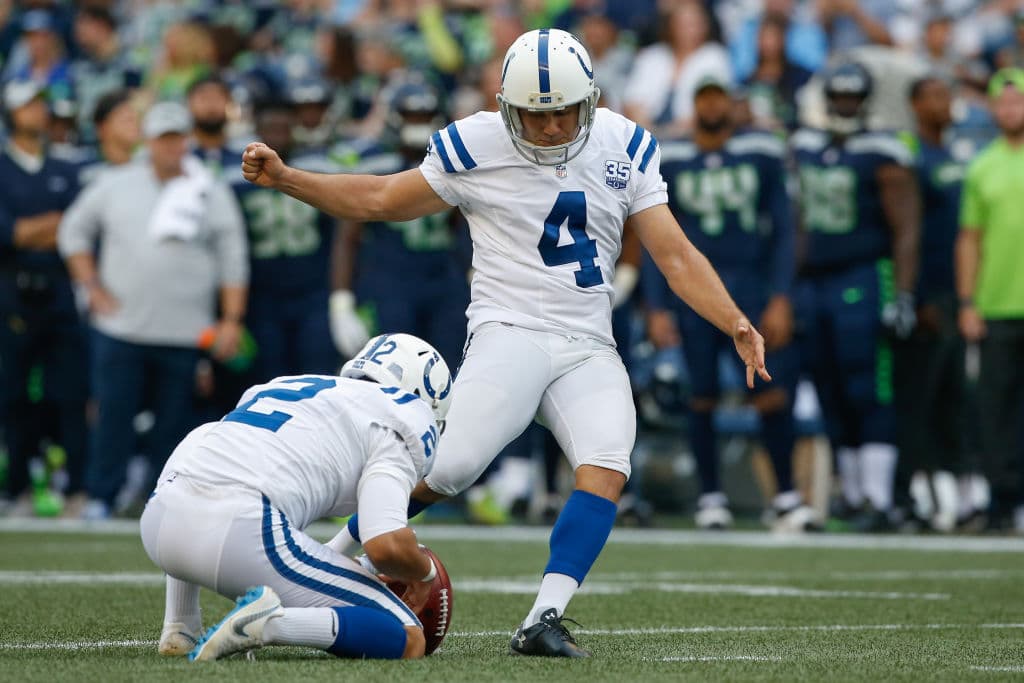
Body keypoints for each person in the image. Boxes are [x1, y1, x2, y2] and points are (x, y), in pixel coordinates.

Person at [241, 28, 769, 657]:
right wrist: (288, 178)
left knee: (608, 462)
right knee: (450, 467)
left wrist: (733, 319)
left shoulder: (624, 143)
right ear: (506, 107)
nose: (548, 129)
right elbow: (383, 197)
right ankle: (322, 561)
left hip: (589, 339)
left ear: (591, 101)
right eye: (533, 116)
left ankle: (544, 617)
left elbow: (675, 255)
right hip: (509, 328)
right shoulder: (476, 142)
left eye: (562, 113)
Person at [139, 333, 453, 661]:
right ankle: (270, 624)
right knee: (408, 638)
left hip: (159, 522)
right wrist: (424, 572)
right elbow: (384, 544)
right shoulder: (404, 418)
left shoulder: (294, 386)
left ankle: (181, 623)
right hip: (239, 531)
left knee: (206, 442)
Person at [57, 101, 248, 520]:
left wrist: (230, 320)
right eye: (164, 139)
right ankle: (101, 496)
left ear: (187, 141)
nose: (171, 147)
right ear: (149, 142)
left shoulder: (208, 190)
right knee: (113, 417)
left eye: (178, 138)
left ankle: (161, 503)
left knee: (174, 426)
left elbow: (233, 256)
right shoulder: (116, 183)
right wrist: (90, 286)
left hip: (185, 329)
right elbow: (73, 231)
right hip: (121, 325)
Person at [646, 75, 817, 532]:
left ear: (731, 102)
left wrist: (781, 295)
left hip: (751, 286)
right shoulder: (673, 155)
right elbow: (655, 235)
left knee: (769, 390)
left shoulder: (760, 150)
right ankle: (710, 496)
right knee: (700, 394)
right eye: (704, 96)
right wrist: (657, 304)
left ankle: (783, 494)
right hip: (694, 290)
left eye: (719, 96)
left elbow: (784, 227)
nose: (713, 105)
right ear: (694, 103)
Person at [792, 62, 920, 531]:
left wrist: (902, 293)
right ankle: (852, 494)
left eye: (852, 97)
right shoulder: (806, 145)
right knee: (828, 386)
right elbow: (798, 219)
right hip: (815, 282)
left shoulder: (881, 149)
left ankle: (879, 498)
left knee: (866, 384)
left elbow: (907, 227)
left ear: (863, 100)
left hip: (864, 276)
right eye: (838, 96)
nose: (844, 105)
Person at [0, 80, 87, 516]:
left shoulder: (66, 166)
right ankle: (16, 486)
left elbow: (79, 228)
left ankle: (75, 487)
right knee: (13, 394)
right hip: (11, 293)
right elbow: (7, 234)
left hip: (60, 289)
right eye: (28, 105)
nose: (37, 112)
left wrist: (31, 230)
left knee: (69, 393)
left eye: (40, 104)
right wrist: (51, 225)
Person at [895, 76, 969, 532]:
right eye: (937, 95)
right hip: (928, 294)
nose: (946, 103)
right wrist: (914, 294)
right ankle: (915, 491)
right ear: (916, 104)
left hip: (956, 292)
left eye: (948, 94)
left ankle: (956, 489)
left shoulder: (954, 153)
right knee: (919, 396)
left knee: (953, 397)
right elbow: (909, 230)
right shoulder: (910, 152)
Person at [956, 67, 1024, 533]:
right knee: (995, 409)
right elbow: (969, 239)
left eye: (1017, 102)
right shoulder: (983, 165)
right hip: (998, 304)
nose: (1010, 110)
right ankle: (1002, 498)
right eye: (1003, 103)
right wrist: (967, 301)